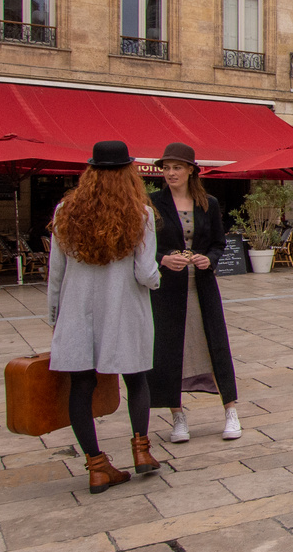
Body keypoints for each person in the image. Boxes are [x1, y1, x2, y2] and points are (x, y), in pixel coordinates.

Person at [46, 140, 161, 494]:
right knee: (136, 379)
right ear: (129, 172)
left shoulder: (66, 210)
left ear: (90, 172)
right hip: (124, 310)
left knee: (81, 386)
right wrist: (159, 278)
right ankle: (142, 451)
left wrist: (55, 315)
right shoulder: (140, 215)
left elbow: (56, 272)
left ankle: (96, 467)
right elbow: (145, 273)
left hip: (78, 311)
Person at [148, 143, 241, 444]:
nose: (171, 173)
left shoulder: (208, 204)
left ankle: (230, 410)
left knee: (214, 342)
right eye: (166, 167)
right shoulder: (151, 204)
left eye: (177, 167)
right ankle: (178, 416)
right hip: (167, 288)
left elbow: (218, 242)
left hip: (201, 284)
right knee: (170, 348)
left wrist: (209, 260)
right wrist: (162, 259)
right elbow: (143, 248)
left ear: (191, 170)